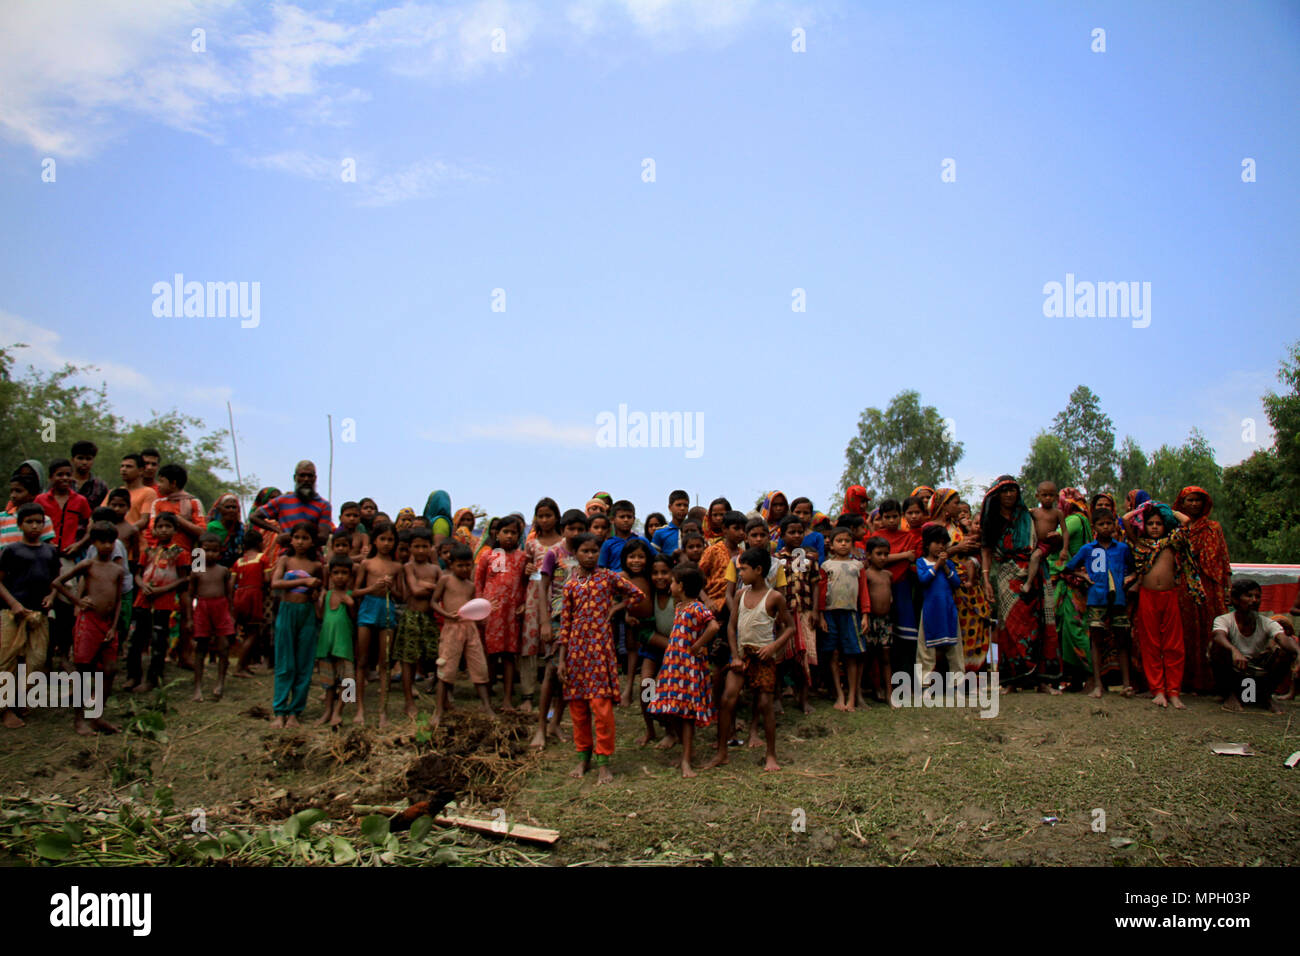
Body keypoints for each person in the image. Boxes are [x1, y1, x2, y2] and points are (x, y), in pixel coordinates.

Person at [556, 533, 644, 784]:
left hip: (600, 652)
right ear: (576, 554)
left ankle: (604, 761)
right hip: (575, 654)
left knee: (602, 709)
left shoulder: (608, 577)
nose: (590, 555)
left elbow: (637, 595)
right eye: (585, 551)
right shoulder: (571, 585)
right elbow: (565, 624)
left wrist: (617, 607)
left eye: (594, 551)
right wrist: (562, 660)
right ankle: (583, 757)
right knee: (578, 710)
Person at [709, 546, 794, 771]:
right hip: (742, 656)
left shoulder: (774, 597)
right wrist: (735, 655)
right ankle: (722, 752)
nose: (740, 574)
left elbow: (790, 628)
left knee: (766, 704)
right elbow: (731, 626)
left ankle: (771, 755)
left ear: (758, 570)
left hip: (764, 656)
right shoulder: (740, 594)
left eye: (744, 569)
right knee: (727, 699)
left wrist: (774, 647)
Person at [981, 476, 1058, 691]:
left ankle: (1041, 681)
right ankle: (1010, 682)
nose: (1008, 494)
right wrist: (986, 579)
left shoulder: (1029, 516)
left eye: (1012, 490)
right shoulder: (992, 519)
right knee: (1010, 626)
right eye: (1004, 490)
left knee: (1039, 624)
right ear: (997, 494)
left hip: (1034, 572)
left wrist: (1056, 542)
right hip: (1007, 575)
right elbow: (986, 550)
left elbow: (1045, 540)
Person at [645, 564, 718, 777]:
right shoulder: (680, 607)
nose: (671, 584)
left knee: (686, 714)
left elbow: (713, 627)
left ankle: (686, 759)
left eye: (674, 581)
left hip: (689, 668)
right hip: (673, 666)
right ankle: (686, 751)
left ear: (682, 586)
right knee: (671, 709)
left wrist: (697, 645)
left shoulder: (696, 607)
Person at [52, 521, 125, 734]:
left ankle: (97, 716)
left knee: (110, 670)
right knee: (83, 671)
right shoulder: (88, 565)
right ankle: (79, 719)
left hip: (108, 625)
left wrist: (113, 627)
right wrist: (78, 601)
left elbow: (118, 600)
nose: (107, 546)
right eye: (102, 542)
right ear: (94, 543)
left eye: (111, 542)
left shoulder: (117, 570)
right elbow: (57, 583)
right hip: (89, 621)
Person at [1130, 502, 1197, 709]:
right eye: (1150, 523)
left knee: (1173, 645)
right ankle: (1158, 690)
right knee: (1151, 644)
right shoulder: (1141, 545)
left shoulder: (1172, 542)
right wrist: (1145, 507)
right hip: (1147, 597)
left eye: (1159, 523)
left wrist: (1167, 509)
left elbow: (1186, 522)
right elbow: (1125, 519)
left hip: (1169, 596)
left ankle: (1174, 691)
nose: (1155, 527)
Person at [1063, 509, 1136, 699]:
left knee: (1122, 639)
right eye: (1101, 524)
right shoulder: (1088, 549)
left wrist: (1128, 580)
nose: (1106, 527)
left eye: (1109, 523)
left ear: (1114, 525)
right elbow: (1068, 568)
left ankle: (1127, 684)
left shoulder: (1122, 549)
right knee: (1096, 640)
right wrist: (1084, 576)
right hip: (1096, 599)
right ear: (1094, 527)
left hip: (1118, 599)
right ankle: (1098, 685)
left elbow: (1134, 569)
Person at [0, 504, 61, 728]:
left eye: (38, 521)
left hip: (39, 613)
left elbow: (56, 579)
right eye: (29, 522)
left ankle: (19, 700)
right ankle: (6, 709)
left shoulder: (49, 551)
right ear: (20, 524)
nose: (35, 526)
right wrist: (14, 604)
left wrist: (52, 597)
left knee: (36, 659)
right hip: (12, 613)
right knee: (7, 660)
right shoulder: (12, 550)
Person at [531, 509, 588, 748]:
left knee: (569, 675)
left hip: (581, 621)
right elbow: (542, 589)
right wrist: (544, 622)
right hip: (556, 620)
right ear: (563, 529)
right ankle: (541, 728)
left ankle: (556, 723)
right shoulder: (554, 553)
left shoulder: (587, 552)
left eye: (579, 529)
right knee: (551, 674)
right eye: (571, 528)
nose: (575, 533)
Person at [1173, 486, 1231, 695]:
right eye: (1190, 500)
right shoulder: (1175, 528)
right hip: (1185, 584)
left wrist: (1227, 586)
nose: (1194, 504)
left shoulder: (1213, 528)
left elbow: (1223, 557)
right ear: (1181, 503)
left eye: (1198, 500)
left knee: (1212, 629)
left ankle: (1215, 681)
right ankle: (1188, 682)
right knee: (1187, 631)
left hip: (1210, 584)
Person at [1211, 579, 1299, 713]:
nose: (1254, 600)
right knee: (1217, 647)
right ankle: (1230, 695)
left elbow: (1283, 638)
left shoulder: (1266, 623)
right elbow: (1218, 636)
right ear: (1235, 599)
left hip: (1258, 671)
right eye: (1249, 596)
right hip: (1234, 672)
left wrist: (1298, 652)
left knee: (1286, 652)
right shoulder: (1223, 620)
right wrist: (1234, 651)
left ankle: (1266, 697)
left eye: (1258, 597)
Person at [126, 512, 191, 693]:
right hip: (143, 600)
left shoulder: (180, 553)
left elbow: (184, 579)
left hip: (164, 602)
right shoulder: (148, 551)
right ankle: (133, 676)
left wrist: (162, 590)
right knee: (136, 640)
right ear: (154, 530)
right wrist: (142, 586)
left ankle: (152, 679)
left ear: (175, 530)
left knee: (158, 641)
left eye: (167, 526)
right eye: (160, 526)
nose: (163, 530)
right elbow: (138, 574)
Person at [431, 544, 494, 725]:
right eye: (460, 565)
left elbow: (473, 607)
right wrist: (445, 614)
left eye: (468, 565)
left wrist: (481, 619)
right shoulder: (445, 580)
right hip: (451, 629)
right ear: (451, 564)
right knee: (446, 669)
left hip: (470, 629)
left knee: (478, 666)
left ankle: (487, 706)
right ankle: (439, 710)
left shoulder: (470, 586)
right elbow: (434, 602)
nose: (465, 569)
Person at [269, 521, 323, 728]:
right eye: (297, 537)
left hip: (307, 614)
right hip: (287, 611)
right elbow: (276, 583)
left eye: (305, 538)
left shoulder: (316, 566)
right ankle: (280, 710)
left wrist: (315, 590)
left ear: (312, 542)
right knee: (285, 662)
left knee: (304, 663)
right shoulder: (285, 560)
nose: (300, 542)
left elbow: (320, 590)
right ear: (291, 540)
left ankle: (295, 711)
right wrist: (303, 582)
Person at [352, 520, 403, 727]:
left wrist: (391, 588)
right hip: (367, 608)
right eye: (383, 539)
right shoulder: (367, 564)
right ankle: (358, 708)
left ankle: (383, 712)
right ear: (375, 541)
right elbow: (355, 592)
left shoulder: (397, 567)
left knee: (385, 662)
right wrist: (372, 588)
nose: (387, 543)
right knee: (362, 660)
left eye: (391, 540)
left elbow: (401, 594)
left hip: (387, 610)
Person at [475, 515, 528, 709]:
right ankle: (486, 696)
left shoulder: (523, 558)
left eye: (513, 533)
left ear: (519, 535)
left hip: (512, 614)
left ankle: (507, 698)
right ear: (497, 534)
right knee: (489, 655)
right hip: (492, 612)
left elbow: (528, 583)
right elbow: (478, 583)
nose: (509, 536)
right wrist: (480, 609)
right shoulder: (488, 556)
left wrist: (524, 604)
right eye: (505, 532)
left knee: (508, 655)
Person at [819, 527, 870, 711]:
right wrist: (821, 615)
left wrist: (865, 615)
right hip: (831, 614)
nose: (843, 544)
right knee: (832, 653)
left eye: (847, 541)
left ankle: (852, 697)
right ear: (831, 545)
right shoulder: (826, 566)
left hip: (851, 614)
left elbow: (864, 592)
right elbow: (822, 593)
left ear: (852, 543)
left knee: (852, 655)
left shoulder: (858, 566)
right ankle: (839, 695)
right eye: (839, 541)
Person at [519, 497, 562, 715]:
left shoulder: (563, 543)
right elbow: (526, 567)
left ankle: (554, 698)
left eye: (548, 515)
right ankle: (527, 694)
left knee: (553, 645)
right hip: (533, 596)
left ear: (556, 517)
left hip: (556, 597)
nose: (544, 520)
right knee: (529, 643)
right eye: (540, 516)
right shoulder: (531, 543)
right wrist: (526, 570)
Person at [393, 528, 440, 716]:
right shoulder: (408, 567)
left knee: (438, 657)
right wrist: (429, 587)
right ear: (410, 548)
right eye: (416, 546)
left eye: (424, 546)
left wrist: (427, 585)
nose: (420, 550)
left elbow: (440, 591)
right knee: (408, 660)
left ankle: (442, 698)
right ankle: (409, 701)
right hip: (412, 616)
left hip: (430, 616)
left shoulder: (435, 569)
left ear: (431, 548)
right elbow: (414, 590)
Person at [775, 514, 818, 713]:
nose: (797, 536)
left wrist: (816, 610)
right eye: (791, 532)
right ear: (782, 535)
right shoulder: (776, 560)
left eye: (800, 532)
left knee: (804, 658)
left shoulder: (808, 558)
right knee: (780, 659)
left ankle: (803, 698)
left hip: (805, 612)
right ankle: (777, 698)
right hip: (783, 615)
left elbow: (815, 585)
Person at [187, 532, 234, 702]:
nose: (210, 554)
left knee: (224, 647)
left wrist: (231, 614)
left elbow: (229, 596)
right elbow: (190, 596)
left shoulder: (223, 571)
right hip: (202, 609)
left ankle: (220, 682)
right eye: (206, 550)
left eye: (215, 551)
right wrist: (190, 618)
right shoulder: (196, 571)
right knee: (201, 647)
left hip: (220, 608)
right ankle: (197, 687)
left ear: (220, 552)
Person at [1052, 488, 1093, 681]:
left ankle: (1091, 675)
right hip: (1079, 579)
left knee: (1073, 628)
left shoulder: (1073, 520)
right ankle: (1075, 676)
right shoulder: (1085, 520)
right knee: (1076, 627)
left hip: (1071, 579)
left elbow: (1056, 536)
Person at [915, 523, 964, 683]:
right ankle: (924, 683)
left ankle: (958, 683)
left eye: (943, 543)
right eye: (936, 542)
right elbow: (924, 580)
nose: (940, 546)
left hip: (949, 610)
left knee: (955, 649)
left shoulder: (948, 564)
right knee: (926, 649)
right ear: (927, 544)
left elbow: (956, 583)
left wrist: (946, 568)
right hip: (930, 610)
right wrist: (937, 565)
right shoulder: (921, 562)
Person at [315, 556, 356, 726]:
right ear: (330, 575)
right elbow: (321, 616)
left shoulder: (350, 596)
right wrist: (316, 600)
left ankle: (339, 711)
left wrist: (351, 605)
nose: (340, 576)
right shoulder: (327, 595)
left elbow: (354, 620)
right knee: (328, 683)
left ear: (350, 576)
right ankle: (328, 711)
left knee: (347, 682)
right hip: (326, 645)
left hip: (344, 647)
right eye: (336, 573)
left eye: (344, 573)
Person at [251, 463, 334, 544]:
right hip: (286, 554)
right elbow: (254, 517)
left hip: (312, 556)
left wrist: (292, 538)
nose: (306, 479)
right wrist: (277, 530)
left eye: (310, 476)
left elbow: (323, 538)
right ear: (295, 478)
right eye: (302, 475)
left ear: (315, 478)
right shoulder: (282, 501)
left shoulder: (323, 505)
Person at [139, 463, 205, 551]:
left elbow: (202, 532)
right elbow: (153, 531)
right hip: (161, 553)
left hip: (185, 554)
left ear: (173, 483)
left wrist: (177, 519)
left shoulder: (193, 502)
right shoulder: (158, 503)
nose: (158, 485)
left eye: (162, 481)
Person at [232, 531, 271, 678]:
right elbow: (267, 579)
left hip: (239, 595)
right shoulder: (262, 558)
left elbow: (232, 583)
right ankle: (240, 667)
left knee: (246, 630)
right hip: (253, 595)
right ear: (260, 543)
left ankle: (245, 665)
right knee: (253, 632)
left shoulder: (239, 561)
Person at [862, 536, 894, 699]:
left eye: (885, 554)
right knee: (867, 656)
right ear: (868, 555)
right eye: (878, 554)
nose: (883, 558)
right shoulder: (866, 575)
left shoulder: (888, 575)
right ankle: (871, 689)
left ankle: (889, 693)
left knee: (885, 657)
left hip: (885, 621)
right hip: (870, 620)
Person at [0, 470, 55, 550]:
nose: (13, 495)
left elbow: (46, 546)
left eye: (18, 491)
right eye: (11, 491)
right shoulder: (2, 518)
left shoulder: (43, 520)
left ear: (32, 495)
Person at [598, 500, 645, 571]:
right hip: (615, 580)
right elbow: (601, 568)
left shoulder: (641, 541)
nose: (626, 520)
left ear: (634, 519)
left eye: (629, 517)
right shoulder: (608, 544)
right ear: (612, 520)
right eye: (622, 517)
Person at [205, 492, 245, 567]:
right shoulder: (212, 527)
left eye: (234, 507)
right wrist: (198, 571)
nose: (231, 510)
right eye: (227, 507)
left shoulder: (241, 528)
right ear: (220, 509)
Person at [117, 454, 157, 526]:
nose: (123, 469)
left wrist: (124, 532)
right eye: (122, 466)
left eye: (129, 466)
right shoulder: (116, 492)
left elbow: (144, 520)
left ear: (141, 470)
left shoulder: (148, 492)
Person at [70, 440, 108, 509]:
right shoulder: (63, 482)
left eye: (88, 459)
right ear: (72, 460)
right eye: (80, 458)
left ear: (93, 461)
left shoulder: (100, 486)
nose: (84, 462)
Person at [650, 490, 690, 555]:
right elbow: (655, 557)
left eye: (686, 505)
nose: (682, 508)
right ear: (670, 507)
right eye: (678, 505)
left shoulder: (692, 531)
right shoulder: (660, 533)